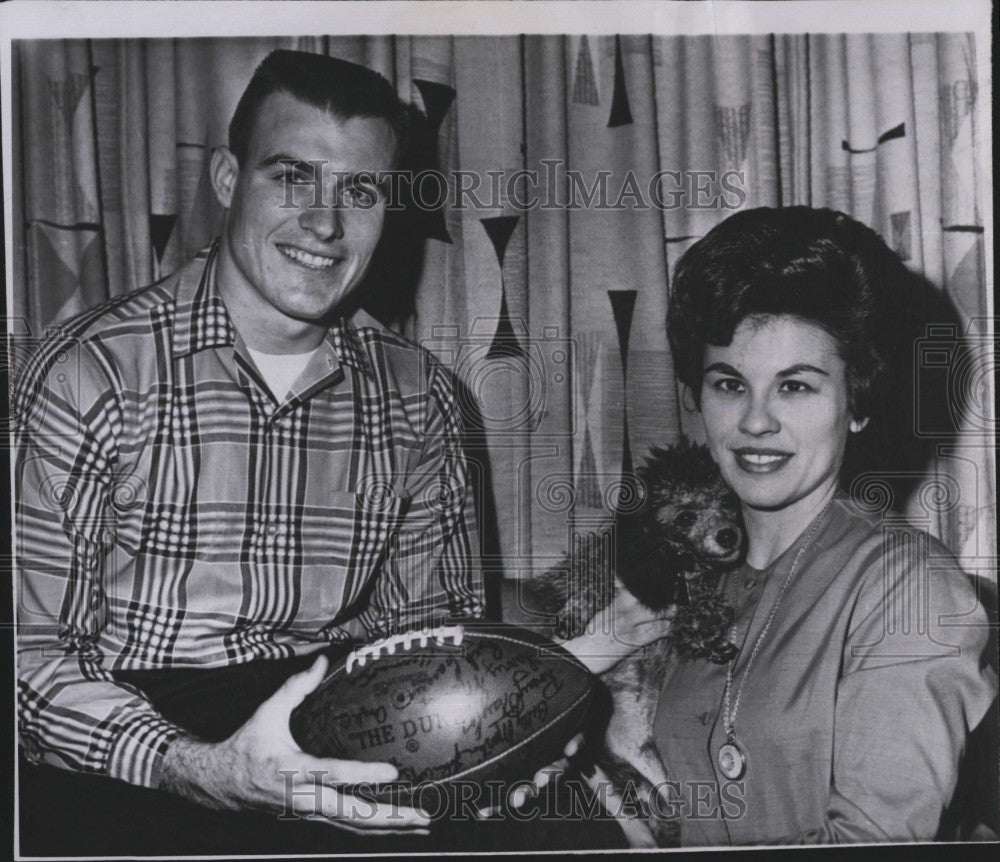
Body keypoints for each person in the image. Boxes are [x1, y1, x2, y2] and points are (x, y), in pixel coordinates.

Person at [14, 49, 669, 856]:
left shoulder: (422, 399)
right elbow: (29, 665)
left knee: (574, 839)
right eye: (291, 176)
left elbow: (438, 647)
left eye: (359, 191)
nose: (324, 224)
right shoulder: (91, 371)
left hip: (339, 723)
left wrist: (511, 740)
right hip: (136, 753)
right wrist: (202, 766)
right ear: (226, 178)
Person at [586, 205, 997, 846]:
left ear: (857, 404)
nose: (755, 421)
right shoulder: (691, 581)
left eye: (796, 387)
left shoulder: (907, 587)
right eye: (729, 384)